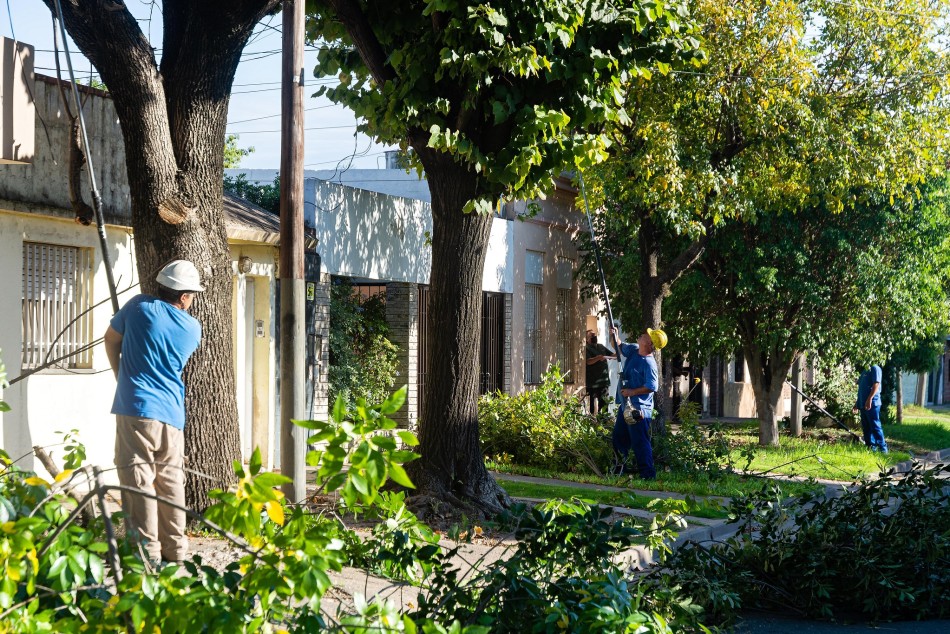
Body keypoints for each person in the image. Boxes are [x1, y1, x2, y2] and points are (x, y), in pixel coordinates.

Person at [104, 259, 205, 564]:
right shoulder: (192, 328)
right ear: (184, 296)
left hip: (135, 407)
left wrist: (121, 375)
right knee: (170, 481)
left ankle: (146, 553)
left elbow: (111, 340)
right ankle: (175, 550)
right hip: (172, 414)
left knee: (139, 480)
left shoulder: (138, 307)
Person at [611, 326, 667, 479]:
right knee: (619, 438)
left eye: (646, 335)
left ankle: (648, 475)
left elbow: (652, 386)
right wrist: (614, 336)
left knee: (640, 442)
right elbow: (619, 346)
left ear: (649, 343)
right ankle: (619, 469)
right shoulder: (634, 350)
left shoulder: (649, 363)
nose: (642, 334)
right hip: (626, 407)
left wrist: (632, 392)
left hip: (639, 410)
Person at [854, 364, 888, 453]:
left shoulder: (875, 368)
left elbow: (876, 384)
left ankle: (883, 450)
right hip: (863, 403)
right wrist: (857, 403)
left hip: (872, 403)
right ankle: (870, 448)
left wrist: (870, 399)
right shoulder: (865, 370)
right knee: (866, 428)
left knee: (875, 426)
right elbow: (862, 388)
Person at [585, 330, 615, 416]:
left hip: (603, 381)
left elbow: (612, 355)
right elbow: (588, 362)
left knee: (604, 403)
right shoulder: (586, 348)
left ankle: (603, 422)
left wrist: (617, 352)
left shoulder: (601, 346)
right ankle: (591, 421)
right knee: (591, 405)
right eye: (592, 336)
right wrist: (598, 358)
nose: (594, 337)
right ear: (587, 339)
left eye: (595, 336)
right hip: (592, 382)